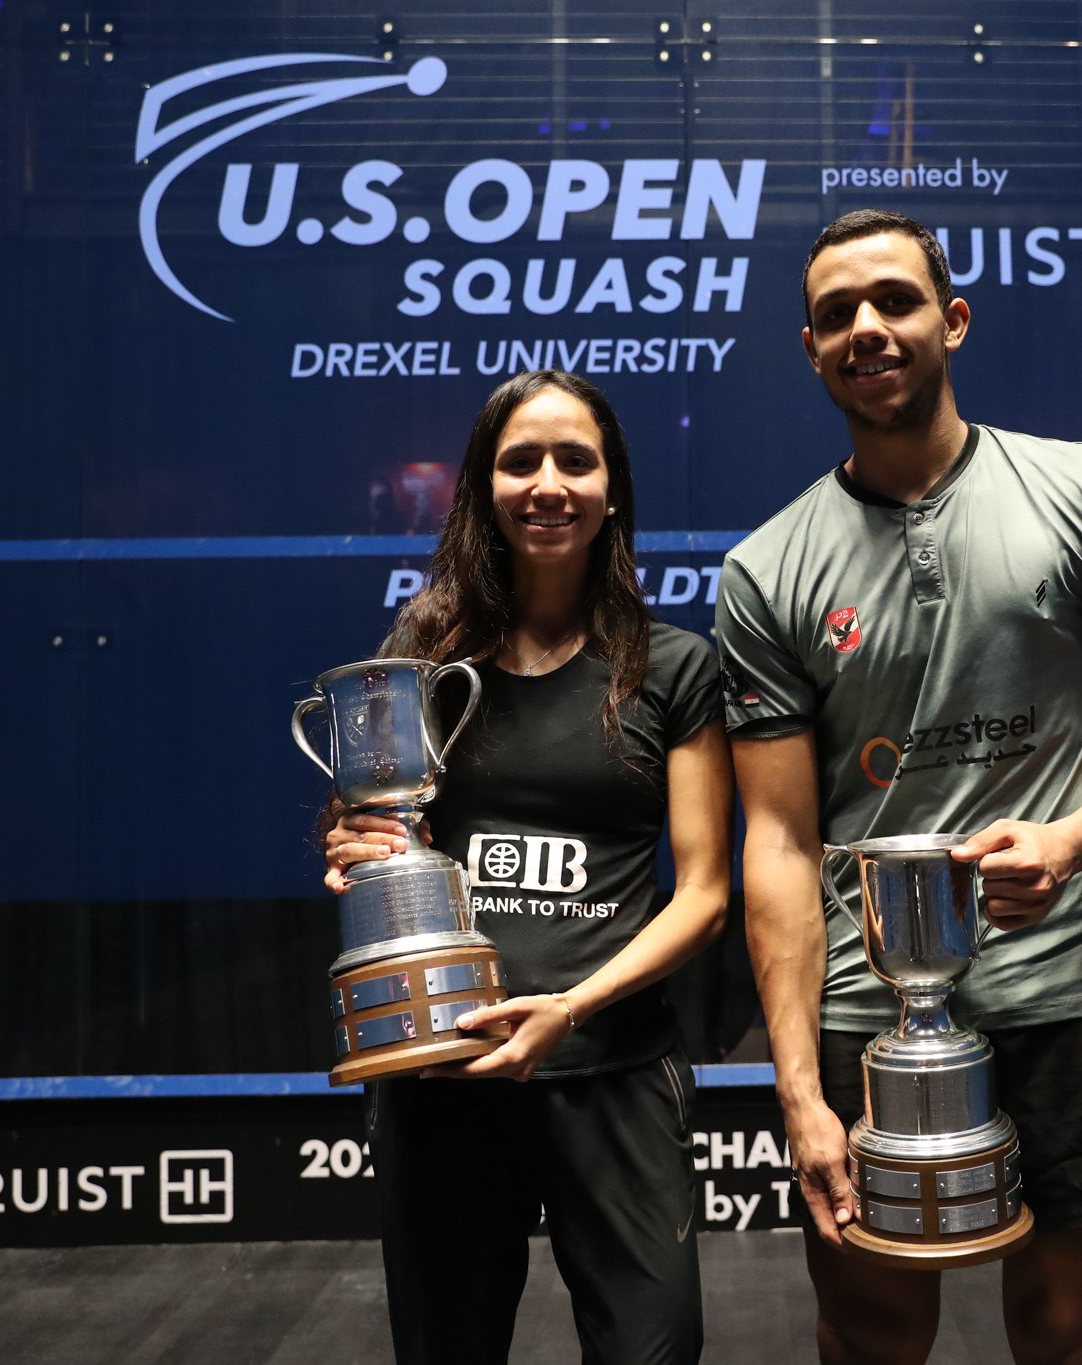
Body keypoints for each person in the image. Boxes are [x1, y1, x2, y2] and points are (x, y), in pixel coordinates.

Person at [714, 210, 1082, 1365]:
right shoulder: (764, 570)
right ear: (808, 347)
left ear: (953, 319)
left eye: (892, 300)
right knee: (870, 1334)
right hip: (864, 1018)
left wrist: (1073, 839)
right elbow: (780, 844)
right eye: (835, 313)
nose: (866, 329)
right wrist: (798, 1093)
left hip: (1073, 996)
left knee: (1072, 1336)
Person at [322, 370, 732, 1364]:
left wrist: (570, 1008)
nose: (547, 484)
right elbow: (373, 824)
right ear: (482, 487)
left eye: (574, 461)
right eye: (519, 462)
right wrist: (354, 851)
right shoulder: (423, 653)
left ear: (612, 488)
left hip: (615, 1069)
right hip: (445, 1073)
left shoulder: (671, 666)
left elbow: (707, 893)